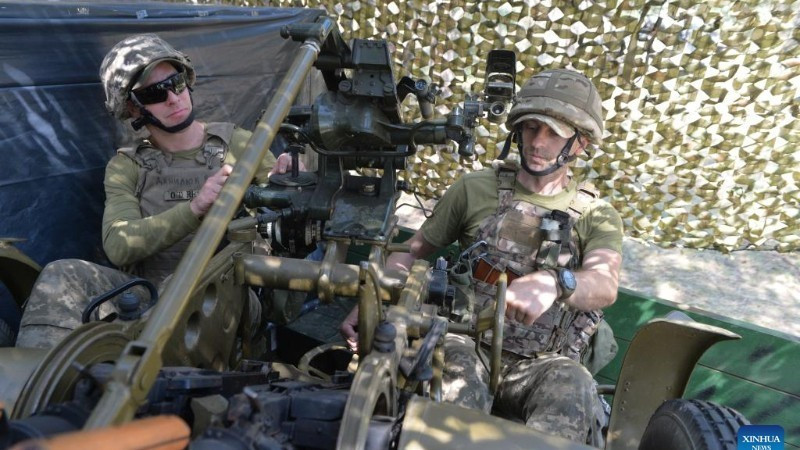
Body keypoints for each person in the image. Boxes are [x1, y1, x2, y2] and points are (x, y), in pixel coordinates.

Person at [340, 68, 622, 445]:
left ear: (581, 143)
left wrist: (556, 282)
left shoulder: (596, 214)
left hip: (543, 363)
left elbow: (604, 284)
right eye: (530, 127)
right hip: (466, 342)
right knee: (451, 391)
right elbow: (413, 252)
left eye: (554, 133)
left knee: (572, 389)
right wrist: (371, 299)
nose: (538, 142)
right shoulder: (474, 189)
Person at [16, 34, 295, 349]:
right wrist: (195, 208)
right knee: (61, 275)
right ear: (133, 109)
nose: (173, 99)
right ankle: (31, 390)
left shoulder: (241, 144)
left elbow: (280, 228)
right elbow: (119, 245)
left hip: (228, 297)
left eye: (175, 83)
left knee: (186, 285)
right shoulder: (127, 166)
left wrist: (282, 187)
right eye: (153, 94)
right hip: (150, 296)